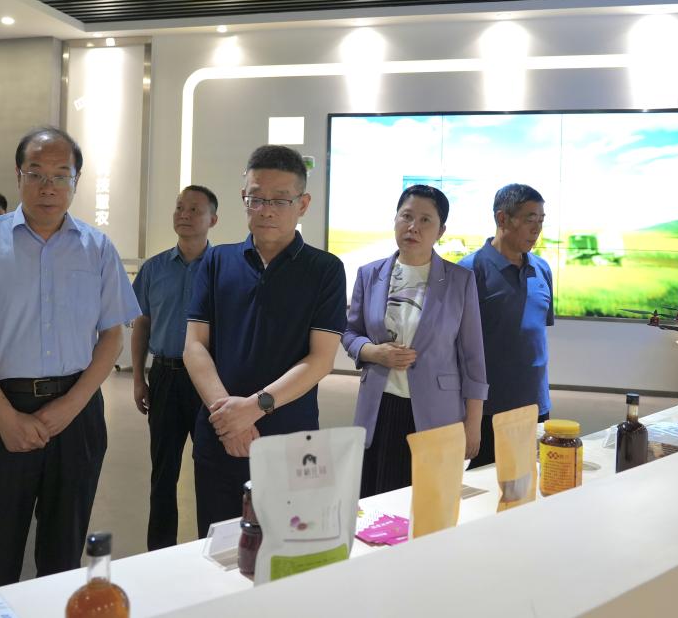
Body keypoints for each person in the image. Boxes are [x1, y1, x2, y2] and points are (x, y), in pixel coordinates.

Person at [0, 126, 140, 590]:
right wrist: (5, 418)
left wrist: (70, 407)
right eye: (36, 173)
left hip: (77, 416)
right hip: (1, 410)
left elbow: (111, 338)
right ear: (19, 175)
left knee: (63, 559)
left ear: (76, 181)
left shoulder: (98, 248)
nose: (48, 186)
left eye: (62, 175)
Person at [184, 144, 346, 537]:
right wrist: (229, 418)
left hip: (289, 439)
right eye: (256, 198)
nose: (266, 210)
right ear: (244, 198)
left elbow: (320, 359)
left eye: (280, 200)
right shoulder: (217, 261)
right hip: (220, 434)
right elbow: (194, 346)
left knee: (285, 546)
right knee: (219, 545)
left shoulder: (325, 270)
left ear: (303, 204)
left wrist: (254, 408)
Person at [342, 185, 487, 497]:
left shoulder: (460, 281)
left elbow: (473, 359)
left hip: (437, 411)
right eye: (406, 216)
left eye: (425, 220)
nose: (413, 227)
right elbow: (351, 333)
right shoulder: (369, 274)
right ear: (395, 219)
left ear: (441, 231)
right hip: (380, 407)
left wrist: (473, 423)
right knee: (378, 501)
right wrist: (373, 352)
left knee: (431, 502)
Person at [131, 184, 219, 550]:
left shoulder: (223, 267)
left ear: (213, 219)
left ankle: (210, 550)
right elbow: (142, 324)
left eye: (195, 209)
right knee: (163, 472)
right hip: (164, 376)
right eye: (180, 207)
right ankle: (159, 552)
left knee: (211, 470)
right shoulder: (153, 269)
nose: (184, 214)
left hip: (208, 381)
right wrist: (139, 377)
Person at [459, 183, 554, 469]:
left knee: (530, 481)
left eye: (541, 221)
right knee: (485, 486)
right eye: (529, 219)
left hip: (536, 406)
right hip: (488, 410)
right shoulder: (469, 270)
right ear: (502, 218)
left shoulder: (542, 269)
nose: (536, 229)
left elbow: (535, 334)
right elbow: (454, 346)